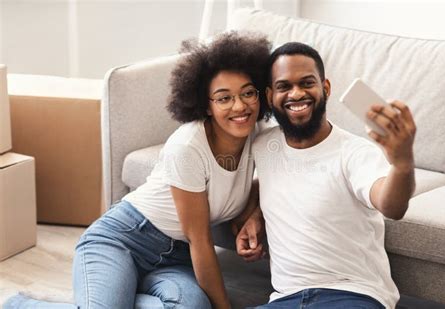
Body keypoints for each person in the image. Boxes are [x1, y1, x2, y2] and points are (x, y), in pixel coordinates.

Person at [4, 31, 271, 309]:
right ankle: (21, 305)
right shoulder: (188, 146)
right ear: (206, 105)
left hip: (174, 258)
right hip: (122, 239)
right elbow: (200, 241)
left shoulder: (260, 135)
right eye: (224, 98)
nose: (240, 106)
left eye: (248, 93)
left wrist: (254, 214)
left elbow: (265, 181)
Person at [236, 42, 416, 309]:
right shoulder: (263, 145)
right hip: (285, 298)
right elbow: (281, 184)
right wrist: (254, 214)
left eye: (307, 83)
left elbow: (392, 205)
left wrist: (402, 164)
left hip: (353, 294)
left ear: (325, 88)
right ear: (270, 95)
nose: (296, 94)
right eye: (285, 86)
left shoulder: (355, 153)